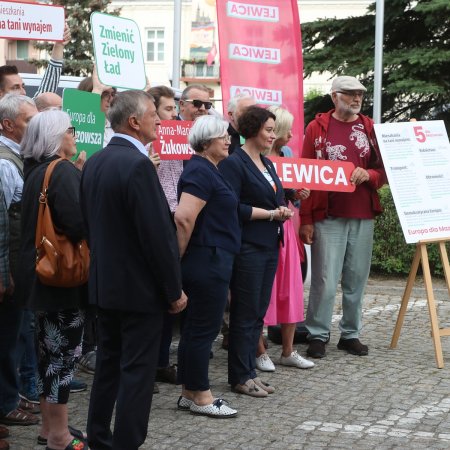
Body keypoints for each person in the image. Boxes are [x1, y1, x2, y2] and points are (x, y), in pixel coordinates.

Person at [80, 90, 187, 450]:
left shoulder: (96, 161)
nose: (160, 120)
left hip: (105, 286)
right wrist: (174, 291)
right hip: (139, 292)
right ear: (134, 122)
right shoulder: (139, 165)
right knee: (137, 373)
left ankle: (98, 437)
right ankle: (126, 443)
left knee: (109, 366)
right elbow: (157, 238)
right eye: (154, 114)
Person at [300, 76, 387, 359]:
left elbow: (383, 169)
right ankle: (317, 334)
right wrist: (306, 219)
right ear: (335, 96)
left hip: (362, 213)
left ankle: (350, 334)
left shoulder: (370, 128)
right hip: (329, 214)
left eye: (359, 94)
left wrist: (369, 175)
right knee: (325, 279)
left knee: (357, 278)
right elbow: (306, 175)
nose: (356, 98)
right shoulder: (317, 128)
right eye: (350, 94)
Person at [18, 109, 88, 450]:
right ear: (56, 137)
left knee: (47, 353)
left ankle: (49, 427)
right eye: (70, 130)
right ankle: (59, 437)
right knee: (62, 357)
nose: (74, 136)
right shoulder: (62, 172)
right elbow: (77, 224)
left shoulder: (36, 171)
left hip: (40, 276)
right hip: (63, 279)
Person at [219, 106, 293, 398]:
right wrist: (270, 214)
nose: (273, 135)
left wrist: (283, 206)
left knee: (257, 314)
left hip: (269, 245)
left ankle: (249, 371)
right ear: (252, 130)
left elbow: (274, 195)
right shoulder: (234, 163)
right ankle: (239, 375)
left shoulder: (267, 163)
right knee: (244, 313)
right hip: (247, 247)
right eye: (269, 130)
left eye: (274, 130)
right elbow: (231, 207)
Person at [175, 115, 240, 418]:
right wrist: (177, 260)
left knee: (196, 328)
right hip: (206, 259)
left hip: (211, 257)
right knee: (204, 328)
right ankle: (202, 395)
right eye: (222, 136)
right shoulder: (200, 170)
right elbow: (184, 217)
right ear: (206, 141)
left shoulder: (209, 169)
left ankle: (190, 391)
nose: (228, 140)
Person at [256, 105, 314, 372]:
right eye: (286, 128)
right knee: (261, 290)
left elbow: (287, 193)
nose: (291, 134)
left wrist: (295, 195)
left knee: (291, 288)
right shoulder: (252, 158)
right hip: (264, 230)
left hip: (286, 230)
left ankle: (288, 351)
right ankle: (260, 350)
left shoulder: (287, 154)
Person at [0, 94, 40, 426]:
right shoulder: (3, 163)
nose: (35, 126)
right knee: (6, 339)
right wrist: (3, 274)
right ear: (8, 125)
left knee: (13, 336)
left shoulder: (16, 157)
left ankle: (10, 398)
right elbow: (1, 226)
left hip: (17, 266)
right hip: (8, 269)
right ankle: (5, 404)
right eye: (29, 120)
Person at [147, 85, 179, 388]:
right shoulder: (142, 146)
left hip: (175, 216)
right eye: (168, 109)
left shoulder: (178, 138)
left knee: (171, 292)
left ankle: (160, 362)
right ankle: (147, 364)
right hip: (153, 220)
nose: (174, 114)